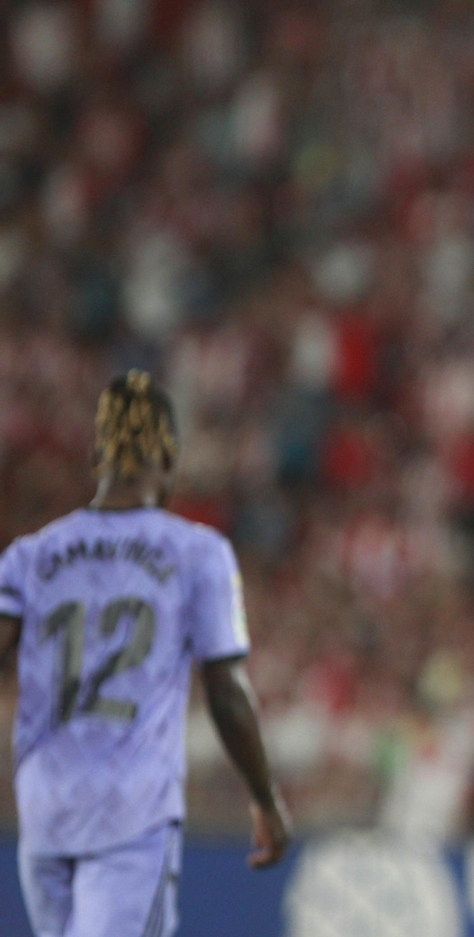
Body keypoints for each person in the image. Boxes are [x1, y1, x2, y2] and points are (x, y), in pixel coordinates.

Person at [0, 371, 291, 937]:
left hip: (45, 807)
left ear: (95, 456)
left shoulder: (29, 557)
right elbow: (227, 694)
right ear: (169, 455)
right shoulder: (197, 553)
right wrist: (265, 797)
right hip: (132, 811)